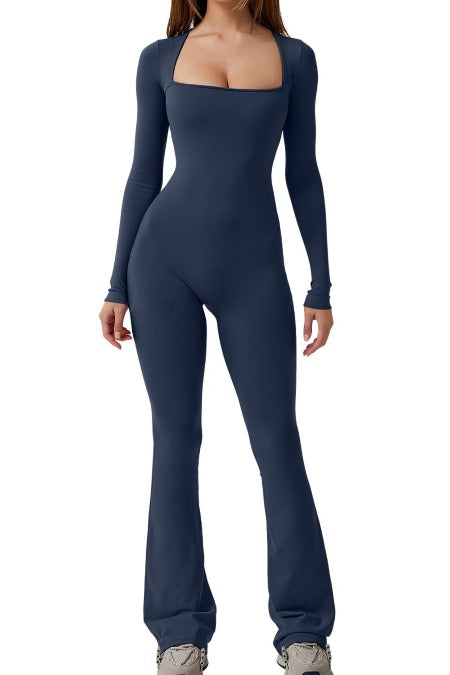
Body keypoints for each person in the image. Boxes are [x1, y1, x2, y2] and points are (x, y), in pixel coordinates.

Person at [99, 1, 336, 673]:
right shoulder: (159, 58)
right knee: (175, 442)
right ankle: (178, 632)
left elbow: (303, 173)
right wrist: (116, 282)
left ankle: (303, 633)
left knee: (277, 440)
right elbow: (143, 172)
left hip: (254, 270)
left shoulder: (294, 59)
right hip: (161, 263)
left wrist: (320, 284)